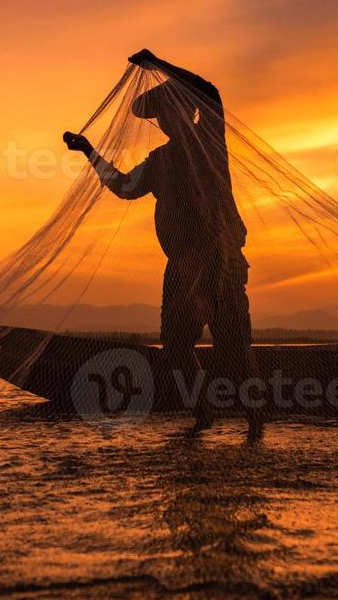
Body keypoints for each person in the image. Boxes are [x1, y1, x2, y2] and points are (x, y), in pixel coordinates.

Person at [63, 50, 263, 442]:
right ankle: (203, 414)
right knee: (175, 344)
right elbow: (123, 186)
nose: (167, 121)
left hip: (220, 257)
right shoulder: (160, 160)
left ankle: (256, 424)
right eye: (162, 117)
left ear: (189, 113)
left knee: (234, 344)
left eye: (174, 112)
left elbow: (211, 92)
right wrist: (89, 151)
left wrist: (158, 64)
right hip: (182, 264)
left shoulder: (209, 143)